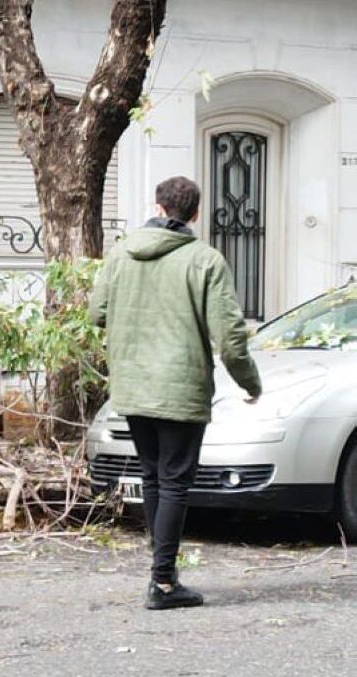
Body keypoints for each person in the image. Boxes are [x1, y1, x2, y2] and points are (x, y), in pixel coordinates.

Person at [90, 176, 262, 610]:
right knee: (174, 483)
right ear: (196, 213)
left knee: (152, 476)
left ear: (158, 206)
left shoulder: (121, 254)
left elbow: (97, 313)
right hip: (180, 388)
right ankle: (163, 582)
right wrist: (250, 383)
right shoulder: (205, 260)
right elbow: (230, 337)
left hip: (132, 386)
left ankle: (161, 573)